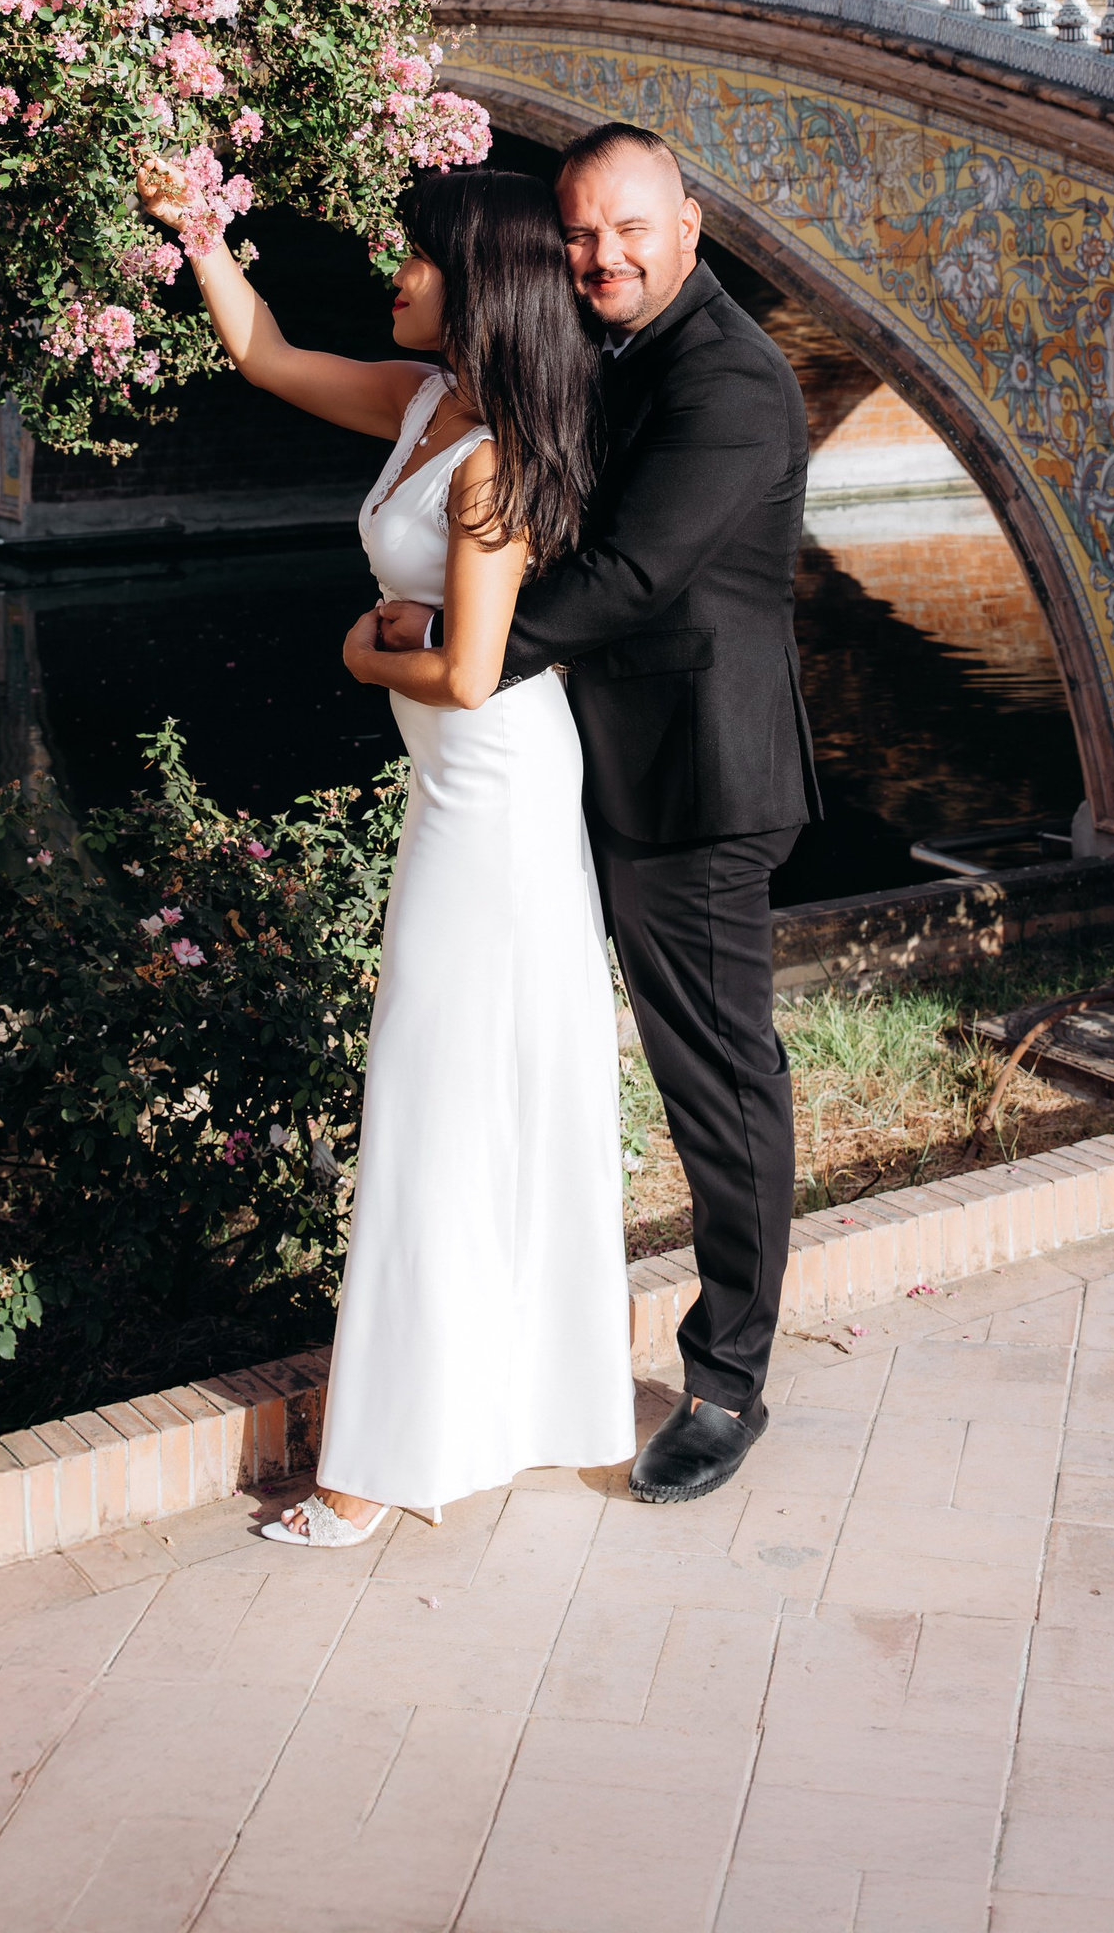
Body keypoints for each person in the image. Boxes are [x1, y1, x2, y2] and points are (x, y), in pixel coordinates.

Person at [139, 159, 636, 1541]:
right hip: (457, 797)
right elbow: (263, 352)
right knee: (461, 1093)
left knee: (427, 1093)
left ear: (477, 287)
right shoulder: (425, 405)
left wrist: (362, 654)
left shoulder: (497, 460)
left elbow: (470, 669)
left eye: (414, 263)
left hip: (501, 800)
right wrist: (194, 226)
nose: (394, 280)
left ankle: (375, 1464)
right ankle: (504, 1410)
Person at [380, 123, 817, 1504]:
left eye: (626, 228)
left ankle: (729, 1382)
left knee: (717, 1080)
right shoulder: (601, 343)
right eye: (575, 235)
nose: (599, 257)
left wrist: (453, 646)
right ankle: (521, 1340)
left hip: (696, 783)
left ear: (691, 223)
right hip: (587, 768)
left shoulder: (734, 383)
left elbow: (627, 577)